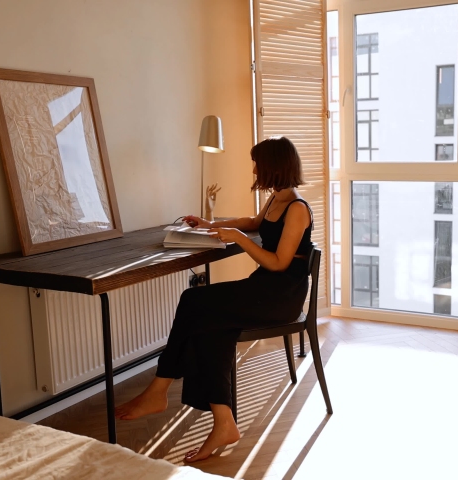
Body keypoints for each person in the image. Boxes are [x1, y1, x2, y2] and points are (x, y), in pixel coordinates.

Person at [114, 136, 313, 463]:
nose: (253, 169)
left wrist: (237, 239)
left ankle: (158, 390)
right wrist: (212, 224)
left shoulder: (297, 208)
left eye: (257, 163)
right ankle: (224, 424)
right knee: (211, 328)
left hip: (280, 296)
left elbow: (278, 262)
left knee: (194, 302)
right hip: (264, 289)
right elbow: (252, 224)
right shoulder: (276, 199)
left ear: (274, 166)